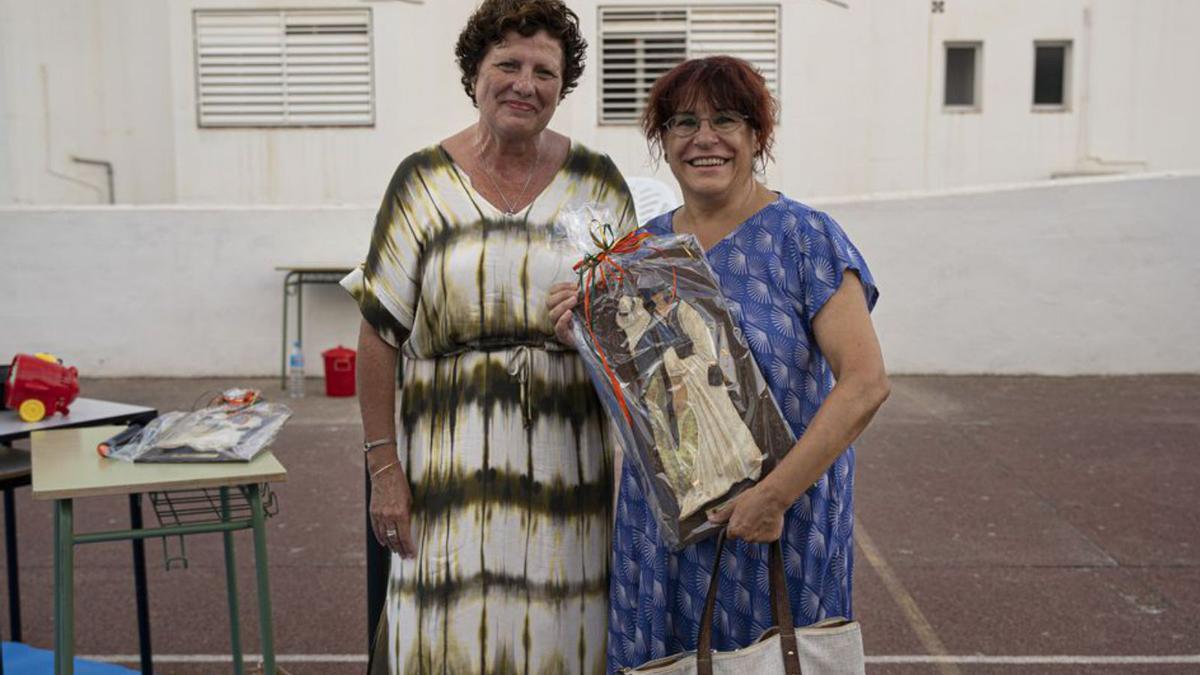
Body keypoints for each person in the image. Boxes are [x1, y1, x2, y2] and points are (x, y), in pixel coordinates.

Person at [548, 55, 890, 672]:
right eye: (683, 124)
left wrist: (773, 496)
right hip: (666, 525)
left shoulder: (804, 238)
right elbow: (642, 392)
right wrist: (583, 328)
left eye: (726, 120)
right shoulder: (638, 250)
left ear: (758, 136)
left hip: (780, 518)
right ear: (663, 141)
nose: (704, 138)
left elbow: (866, 384)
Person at [343, 1, 636, 672]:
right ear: (474, 73)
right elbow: (378, 331)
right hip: (445, 476)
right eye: (507, 63)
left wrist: (595, 324)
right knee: (446, 640)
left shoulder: (598, 185)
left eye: (545, 72)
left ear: (563, 88)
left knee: (562, 641)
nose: (525, 84)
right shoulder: (420, 182)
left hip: (568, 477)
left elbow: (636, 336)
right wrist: (384, 470)